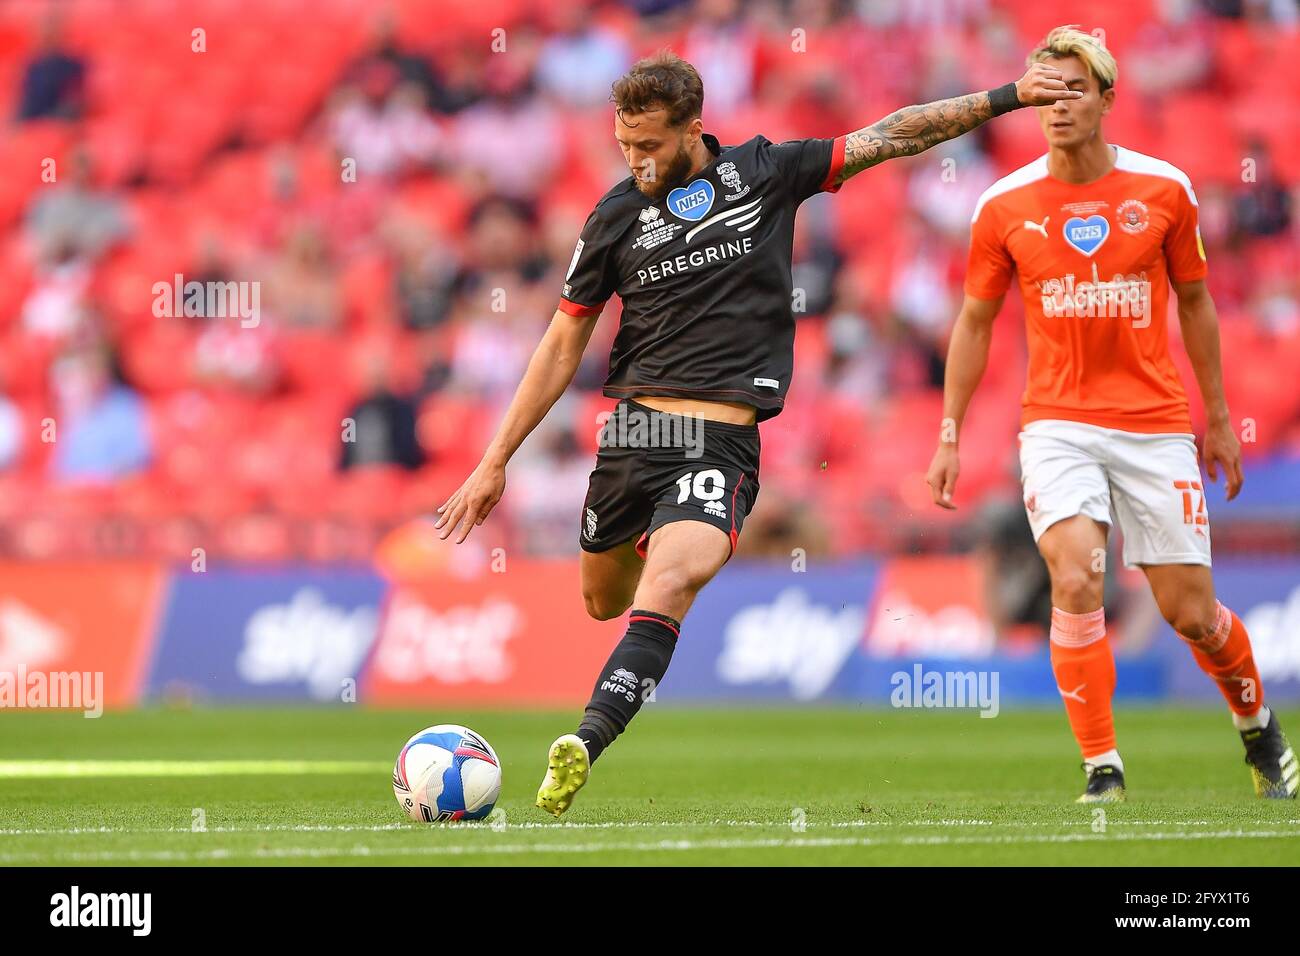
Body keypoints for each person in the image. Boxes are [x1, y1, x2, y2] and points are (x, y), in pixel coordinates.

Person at [436, 49, 1079, 816]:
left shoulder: (765, 173)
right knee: (602, 601)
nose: (638, 163)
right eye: (624, 147)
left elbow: (893, 134)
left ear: (693, 128)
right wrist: (493, 460)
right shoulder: (613, 217)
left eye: (650, 146)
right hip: (636, 435)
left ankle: (585, 741)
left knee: (672, 583)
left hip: (719, 440)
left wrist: (1007, 95)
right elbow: (560, 343)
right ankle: (648, 566)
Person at [925, 26, 1296, 802]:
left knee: (1190, 613)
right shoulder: (1002, 205)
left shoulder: (1164, 190)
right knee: (1075, 576)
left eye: (1075, 91)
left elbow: (1195, 303)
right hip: (1056, 424)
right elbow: (974, 322)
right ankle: (1103, 767)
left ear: (1107, 99)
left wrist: (1220, 418)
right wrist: (951, 431)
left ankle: (1259, 728)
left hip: (1154, 424)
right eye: (1045, 93)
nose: (1058, 107)